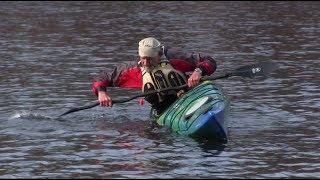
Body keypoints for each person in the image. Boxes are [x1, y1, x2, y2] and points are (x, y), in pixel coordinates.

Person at [92, 37, 217, 117]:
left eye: (150, 59)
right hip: (163, 111)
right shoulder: (132, 69)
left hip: (190, 97)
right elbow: (102, 78)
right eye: (143, 58)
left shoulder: (174, 57)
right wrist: (101, 93)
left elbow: (209, 60)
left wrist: (198, 72)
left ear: (160, 54)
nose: (146, 63)